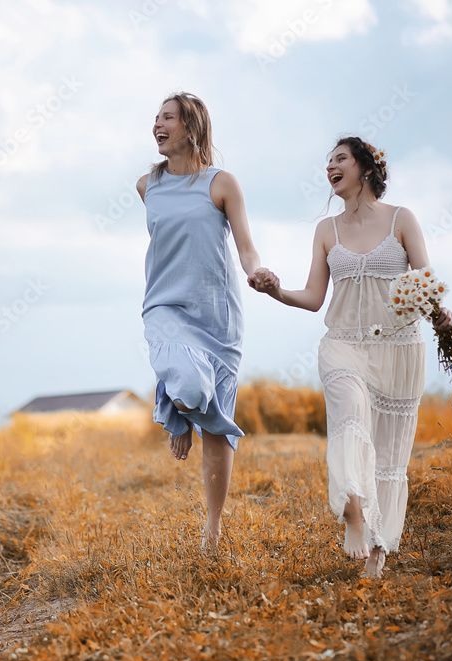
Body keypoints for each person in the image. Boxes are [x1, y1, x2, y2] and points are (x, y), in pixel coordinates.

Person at [251, 137, 452, 577]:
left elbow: (424, 280)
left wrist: (441, 317)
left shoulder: (402, 219)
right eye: (328, 162)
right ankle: (354, 518)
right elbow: (312, 297)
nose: (330, 167)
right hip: (342, 342)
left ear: (365, 167)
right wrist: (276, 291)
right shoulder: (327, 229)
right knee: (349, 416)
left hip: (398, 348)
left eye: (339, 159)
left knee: (387, 454)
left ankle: (379, 550)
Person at [137, 92, 263, 552]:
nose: (157, 125)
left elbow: (246, 247)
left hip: (218, 314)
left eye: (167, 118)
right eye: (155, 118)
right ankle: (176, 411)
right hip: (165, 306)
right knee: (189, 387)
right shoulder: (146, 185)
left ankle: (213, 527)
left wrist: (257, 273)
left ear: (191, 128)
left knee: (216, 423)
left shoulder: (221, 184)